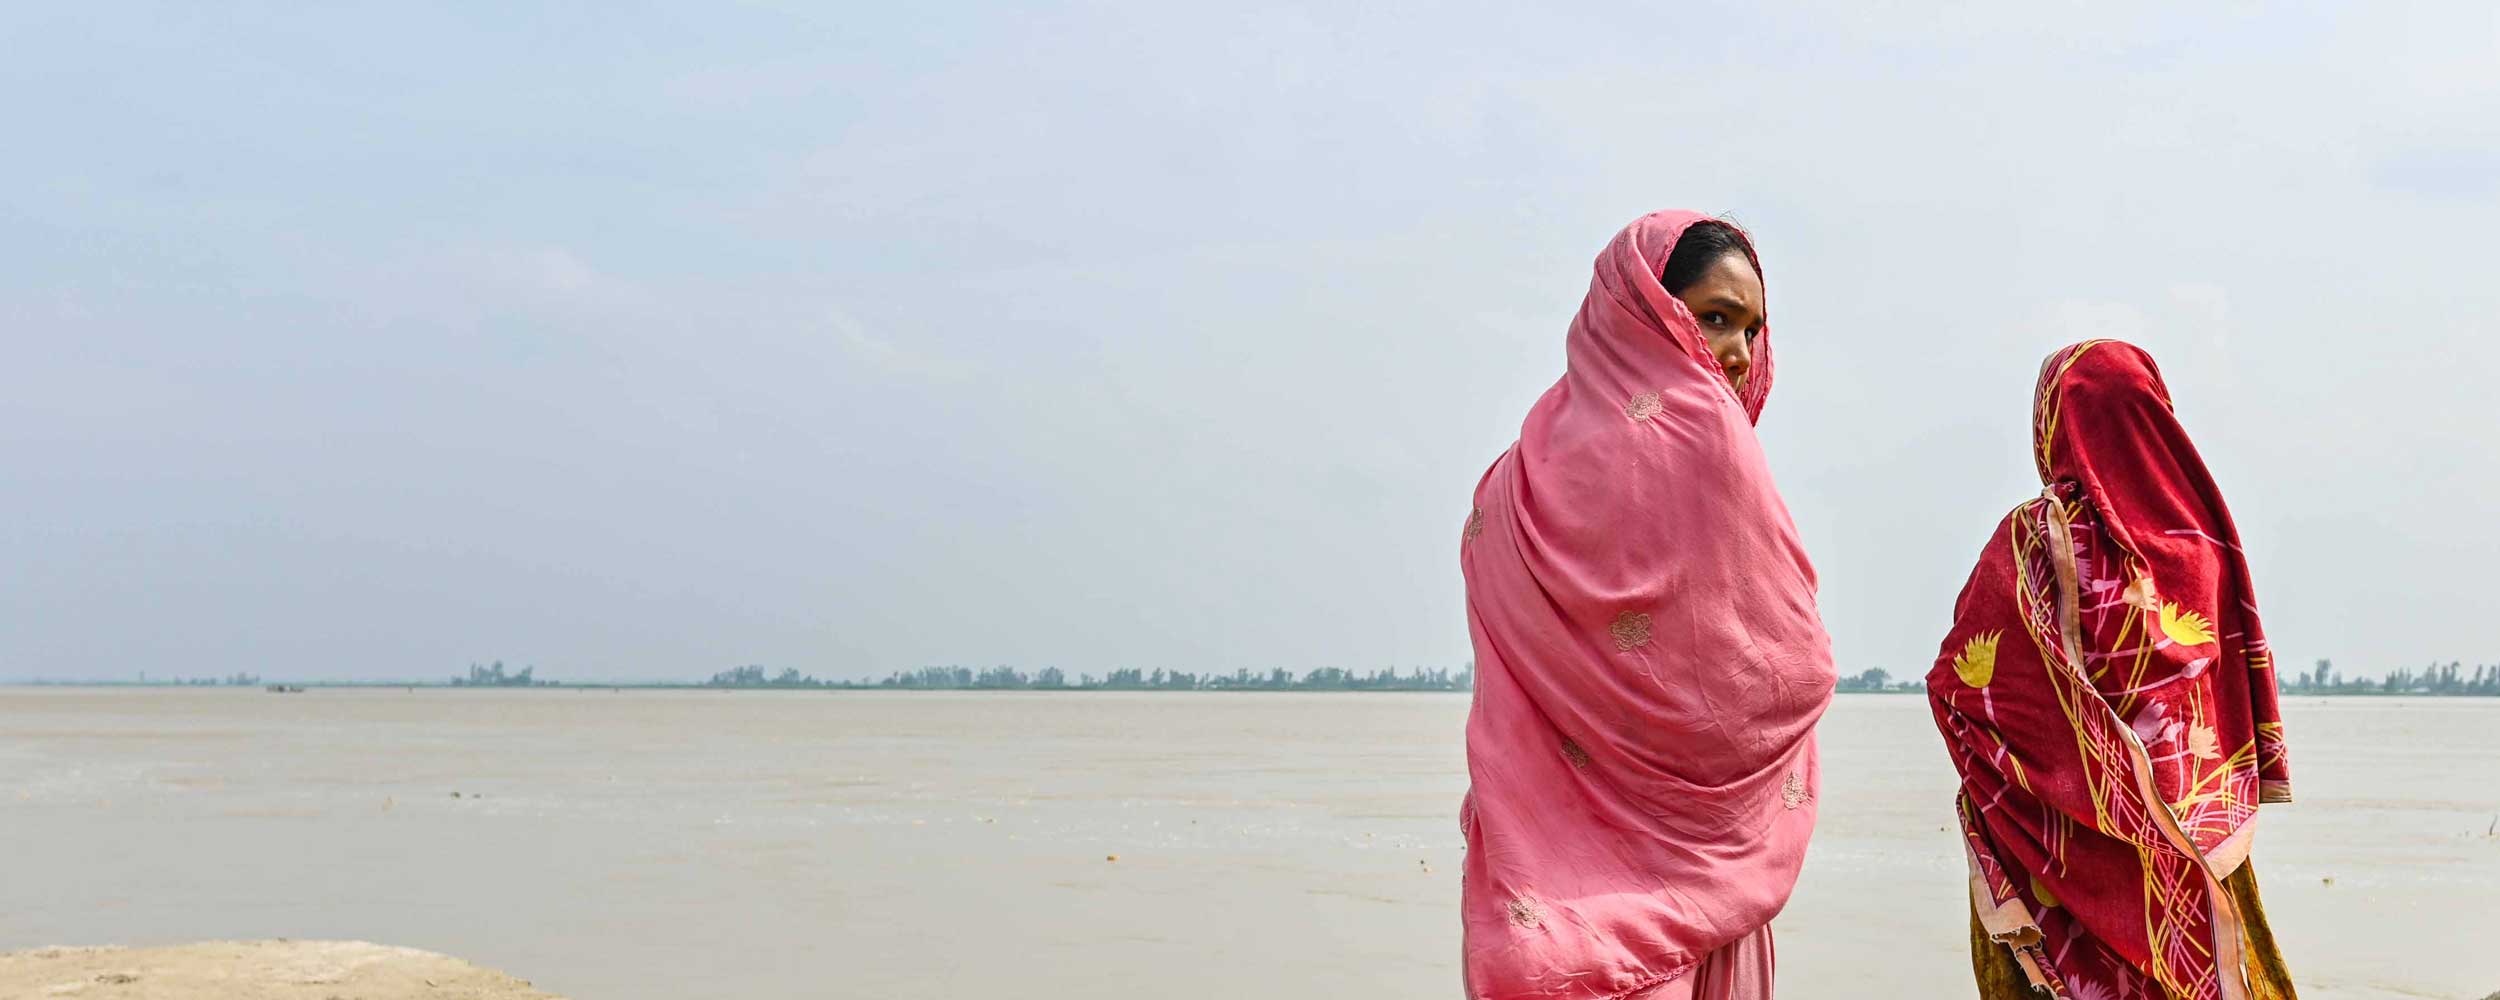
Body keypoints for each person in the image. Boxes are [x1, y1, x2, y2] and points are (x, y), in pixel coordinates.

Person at [1458, 210, 1837, 1000]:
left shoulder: (1510, 479)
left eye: (1753, 329)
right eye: (1716, 319)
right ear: (1650, 313)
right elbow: (1788, 673)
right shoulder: (1710, 441)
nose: (1737, 354)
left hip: (1539, 908)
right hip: (1692, 898)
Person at [1928, 340, 2297, 1000]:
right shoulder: (2206, 542)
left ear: (2054, 423)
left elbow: (1960, 685)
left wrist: (2027, 786)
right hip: (2198, 840)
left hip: (2049, 854)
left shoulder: (2033, 537)